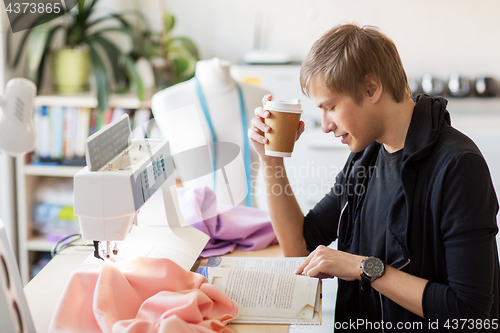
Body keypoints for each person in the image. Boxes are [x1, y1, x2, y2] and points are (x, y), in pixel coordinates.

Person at [248, 23, 500, 332]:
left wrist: (361, 267)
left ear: (371, 89)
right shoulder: (364, 157)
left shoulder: (458, 166)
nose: (325, 125)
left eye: (331, 107)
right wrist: (270, 159)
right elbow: (299, 247)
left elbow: (468, 312)